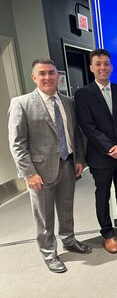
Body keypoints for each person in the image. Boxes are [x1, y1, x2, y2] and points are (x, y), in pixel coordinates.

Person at [8, 58, 92, 273]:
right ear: (34, 77)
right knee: (44, 216)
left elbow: (76, 134)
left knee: (66, 209)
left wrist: (79, 159)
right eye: (42, 73)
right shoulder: (21, 103)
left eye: (51, 73)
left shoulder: (69, 102)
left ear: (58, 76)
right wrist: (29, 174)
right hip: (39, 172)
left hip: (67, 165)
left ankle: (69, 239)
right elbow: (17, 143)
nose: (47, 77)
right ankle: (49, 253)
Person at [74, 49, 117, 254]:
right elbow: (87, 127)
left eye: (106, 63)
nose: (103, 67)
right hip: (100, 156)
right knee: (102, 196)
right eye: (98, 64)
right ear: (91, 67)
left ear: (111, 67)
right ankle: (108, 234)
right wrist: (111, 148)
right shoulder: (83, 94)